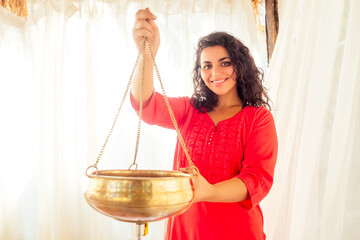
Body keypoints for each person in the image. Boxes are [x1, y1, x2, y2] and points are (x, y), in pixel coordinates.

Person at [131, 8, 278, 240]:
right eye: (206, 66)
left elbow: (256, 180)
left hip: (237, 232)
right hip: (184, 231)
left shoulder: (258, 119)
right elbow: (145, 105)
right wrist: (146, 54)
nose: (215, 72)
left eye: (224, 63)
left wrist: (208, 191)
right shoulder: (190, 110)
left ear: (239, 66)